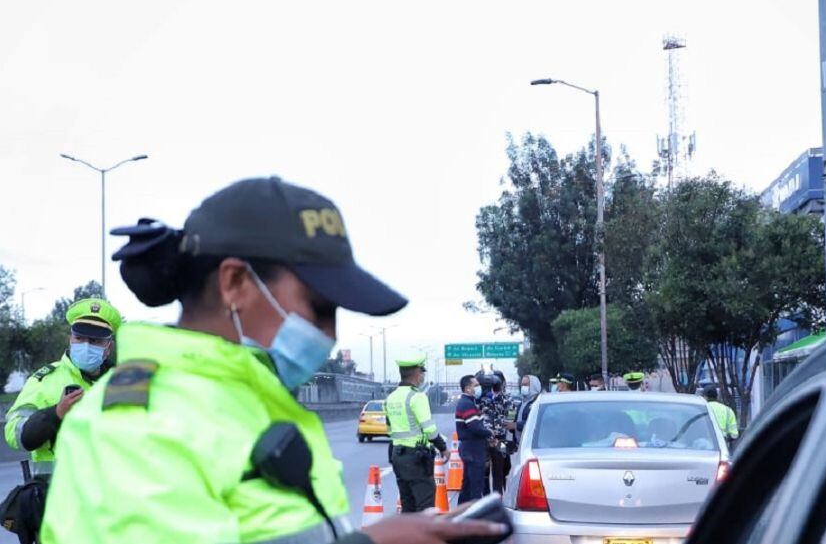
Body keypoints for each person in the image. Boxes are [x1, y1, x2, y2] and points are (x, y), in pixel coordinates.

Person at [39, 177, 504, 544]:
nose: (328, 333)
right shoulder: (136, 427)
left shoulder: (247, 405)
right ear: (236, 283)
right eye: (318, 307)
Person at [5, 298, 122, 481]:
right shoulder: (45, 380)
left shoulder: (122, 383)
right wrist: (55, 414)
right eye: (80, 338)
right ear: (70, 340)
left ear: (108, 347)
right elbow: (15, 435)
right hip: (56, 497)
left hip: (110, 497)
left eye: (94, 341)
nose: (85, 345)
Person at [387, 350, 448, 513]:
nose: (423, 376)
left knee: (408, 505)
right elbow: (429, 429)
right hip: (416, 459)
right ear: (416, 373)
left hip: (397, 457)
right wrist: (443, 448)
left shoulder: (391, 397)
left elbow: (389, 428)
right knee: (425, 507)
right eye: (422, 372)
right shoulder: (417, 397)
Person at [454, 375, 489, 505]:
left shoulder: (468, 403)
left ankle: (461, 513)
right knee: (475, 486)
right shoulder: (467, 403)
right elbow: (475, 428)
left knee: (468, 485)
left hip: (469, 449)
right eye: (476, 385)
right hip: (473, 450)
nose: (478, 388)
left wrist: (479, 414)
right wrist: (490, 432)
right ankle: (476, 517)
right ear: (468, 388)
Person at [483, 371, 512, 495]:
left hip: (501, 439)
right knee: (484, 472)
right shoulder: (484, 397)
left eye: (496, 381)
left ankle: (497, 499)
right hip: (484, 439)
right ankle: (486, 498)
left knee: (500, 472)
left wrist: (499, 396)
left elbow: (510, 418)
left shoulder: (507, 398)